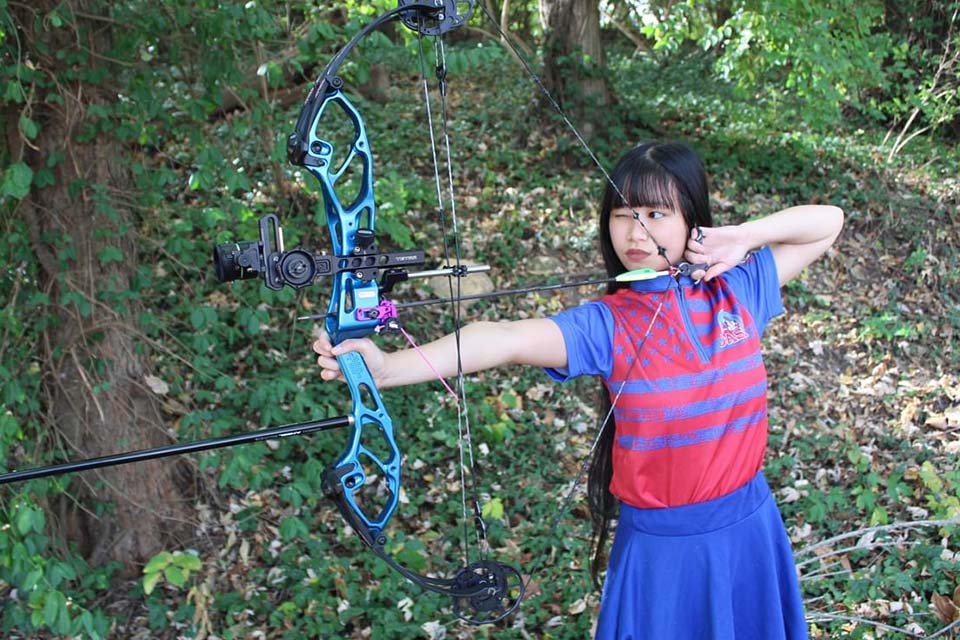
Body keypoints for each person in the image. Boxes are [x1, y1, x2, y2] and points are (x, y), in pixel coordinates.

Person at [313, 141, 843, 639]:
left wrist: (744, 236)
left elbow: (828, 223)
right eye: (622, 214)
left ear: (692, 220)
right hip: (664, 553)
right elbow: (504, 340)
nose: (636, 232)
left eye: (656, 214)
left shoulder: (739, 288)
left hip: (749, 529)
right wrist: (386, 368)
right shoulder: (608, 324)